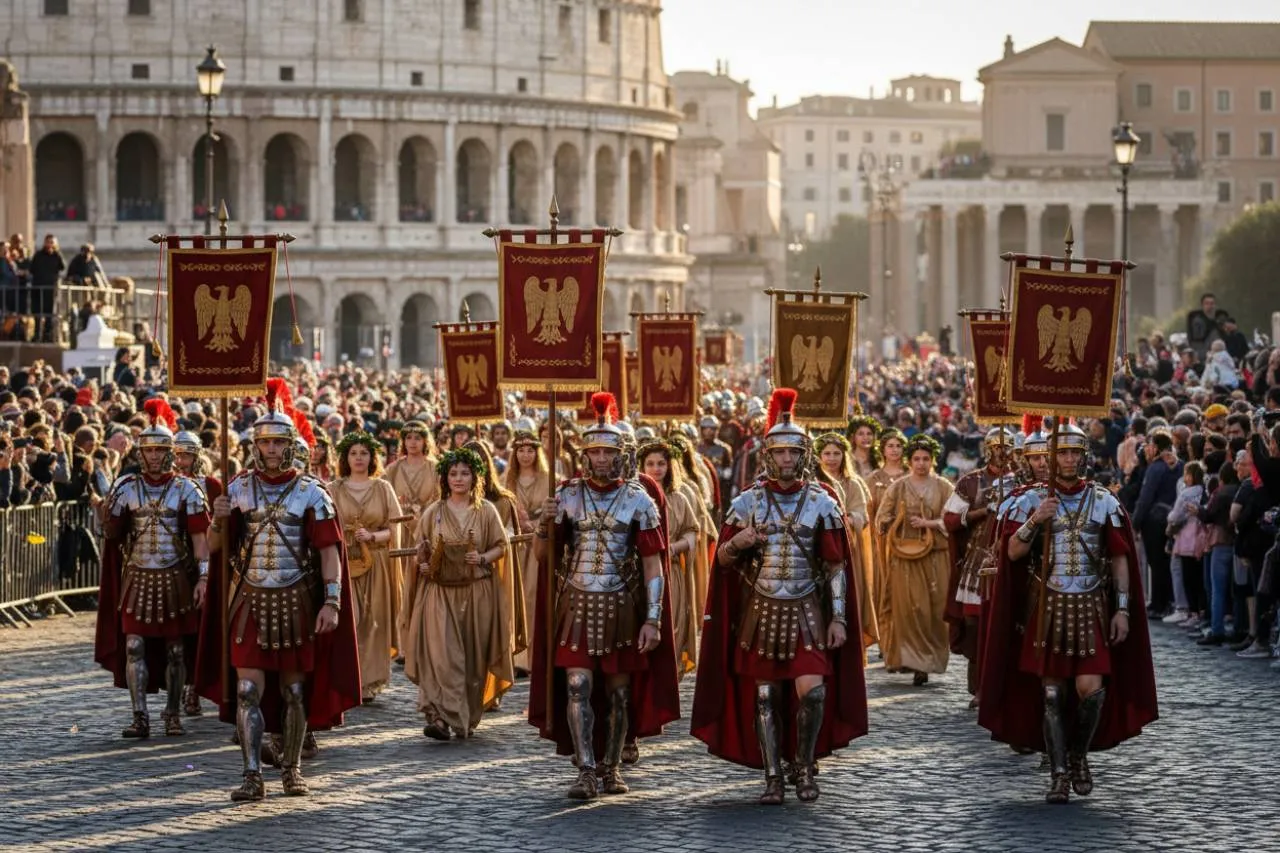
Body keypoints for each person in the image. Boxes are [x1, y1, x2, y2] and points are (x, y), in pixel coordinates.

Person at [692, 388, 867, 805]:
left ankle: (803, 766)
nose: (787, 460)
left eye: (793, 453)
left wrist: (839, 617)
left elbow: (836, 565)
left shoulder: (822, 503)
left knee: (815, 691)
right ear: (768, 456)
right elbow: (724, 562)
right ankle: (773, 775)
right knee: (767, 697)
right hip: (761, 614)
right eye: (780, 453)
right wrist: (740, 543)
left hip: (808, 611)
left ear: (802, 455)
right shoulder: (746, 503)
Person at [197, 381, 361, 802]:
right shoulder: (237, 489)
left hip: (295, 602)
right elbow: (217, 549)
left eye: (278, 443)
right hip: (249, 600)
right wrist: (217, 521)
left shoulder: (312, 492)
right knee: (248, 689)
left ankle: (291, 767)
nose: (270, 450)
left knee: (293, 690)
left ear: (291, 446)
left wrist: (332, 601)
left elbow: (328, 551)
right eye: (264, 443)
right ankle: (252, 774)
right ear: (256, 446)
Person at [979, 422, 1158, 804]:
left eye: (1075, 452)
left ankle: (1078, 754)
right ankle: (1059, 773)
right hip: (1047, 608)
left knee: (1091, 691)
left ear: (1084, 455)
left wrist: (1123, 610)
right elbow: (1011, 553)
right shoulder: (1029, 501)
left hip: (1091, 606)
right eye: (1063, 452)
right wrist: (1035, 521)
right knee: (1051, 695)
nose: (1069, 459)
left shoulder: (1104, 501)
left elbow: (1120, 559)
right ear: (1051, 456)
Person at [528, 392, 679, 801]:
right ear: (585, 454)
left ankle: (611, 765)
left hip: (620, 608)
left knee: (619, 693)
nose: (599, 459)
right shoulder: (566, 495)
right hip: (575, 604)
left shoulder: (638, 499)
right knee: (577, 685)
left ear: (620, 455)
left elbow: (653, 564)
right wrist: (544, 526)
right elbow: (545, 558)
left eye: (607, 452)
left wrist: (653, 618)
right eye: (593, 451)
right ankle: (585, 769)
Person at [94, 402, 211, 739]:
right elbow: (112, 534)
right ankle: (140, 714)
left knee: (176, 649)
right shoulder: (127, 488)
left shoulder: (188, 489)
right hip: (138, 577)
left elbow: (200, 538)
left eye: (162, 450)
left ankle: (172, 712)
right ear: (140, 454)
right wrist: (107, 513)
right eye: (150, 451)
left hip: (176, 577)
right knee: (134, 646)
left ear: (170, 453)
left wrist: (203, 576)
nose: (156, 457)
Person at [400, 447, 515, 739]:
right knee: (442, 656)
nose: (459, 479)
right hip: (438, 595)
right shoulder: (434, 511)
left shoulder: (486, 511)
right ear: (445, 478)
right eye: (453, 473)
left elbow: (502, 546)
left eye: (465, 473)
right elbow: (420, 550)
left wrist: (483, 558)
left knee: (472, 661)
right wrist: (423, 565)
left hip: (477, 595)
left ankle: (464, 714)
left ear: (475, 477)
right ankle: (437, 716)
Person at [943, 427, 1015, 706]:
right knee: (975, 624)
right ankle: (978, 686)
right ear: (986, 449)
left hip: (1007, 558)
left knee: (1002, 624)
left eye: (1007, 447)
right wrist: (982, 511)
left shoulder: (1021, 482)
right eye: (996, 447)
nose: (1001, 453)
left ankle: (1000, 685)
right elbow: (950, 520)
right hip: (976, 559)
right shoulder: (971, 482)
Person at [874, 433, 954, 685]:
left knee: (935, 609)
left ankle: (929, 660)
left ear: (932, 461)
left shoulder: (944, 486)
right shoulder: (897, 487)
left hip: (935, 556)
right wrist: (891, 522)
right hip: (904, 556)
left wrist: (927, 523)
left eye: (925, 459)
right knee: (907, 608)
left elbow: (953, 520)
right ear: (909, 461)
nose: (921, 463)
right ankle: (910, 660)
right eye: (917, 459)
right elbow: (881, 518)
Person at [329, 431, 403, 702]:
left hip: (376, 562)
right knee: (350, 618)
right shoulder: (333, 489)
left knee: (374, 620)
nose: (359, 458)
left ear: (372, 458)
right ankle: (348, 677)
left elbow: (394, 528)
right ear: (345, 458)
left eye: (364, 453)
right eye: (353, 453)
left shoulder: (383, 488)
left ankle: (369, 681)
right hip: (343, 561)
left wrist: (372, 537)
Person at [637, 438, 701, 677]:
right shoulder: (634, 497)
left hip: (670, 571)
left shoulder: (679, 498)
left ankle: (668, 678)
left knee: (672, 624)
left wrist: (675, 547)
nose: (656, 468)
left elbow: (693, 533)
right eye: (650, 463)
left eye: (661, 463)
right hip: (641, 571)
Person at [814, 432, 879, 650]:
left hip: (847, 548)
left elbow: (862, 516)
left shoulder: (853, 484)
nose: (831, 458)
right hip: (817, 549)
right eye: (827, 454)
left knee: (847, 598)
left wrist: (843, 519)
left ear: (844, 456)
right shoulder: (814, 483)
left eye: (836, 454)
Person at [506, 429, 550, 675]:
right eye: (520, 450)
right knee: (514, 596)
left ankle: (535, 656)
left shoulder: (548, 478)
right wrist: (516, 523)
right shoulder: (507, 480)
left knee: (533, 596)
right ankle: (516, 656)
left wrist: (538, 523)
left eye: (530, 450)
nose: (525, 455)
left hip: (538, 544)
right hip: (515, 544)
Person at [384, 420, 439, 519]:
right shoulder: (392, 469)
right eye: (408, 438)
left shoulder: (435, 468)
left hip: (428, 523)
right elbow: (384, 498)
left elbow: (441, 499)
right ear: (404, 441)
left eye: (417, 438)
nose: (412, 442)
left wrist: (421, 511)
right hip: (400, 524)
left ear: (425, 441)